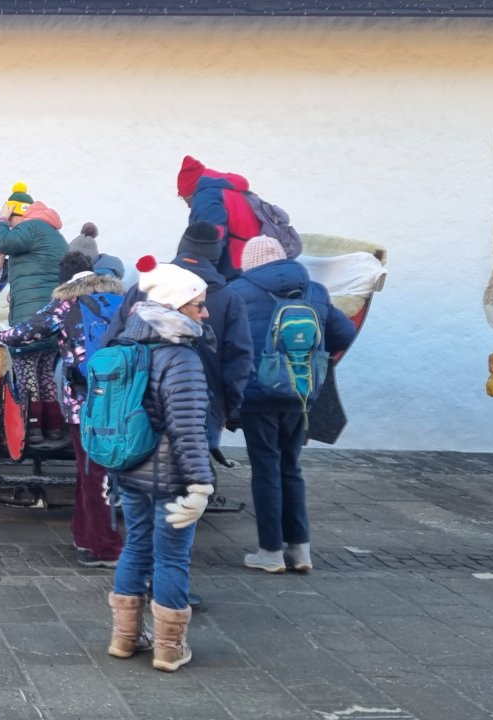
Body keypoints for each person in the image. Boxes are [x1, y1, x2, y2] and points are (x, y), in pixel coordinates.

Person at [105, 259, 215, 672]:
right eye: (198, 305)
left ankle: (124, 638)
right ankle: (169, 649)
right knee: (171, 558)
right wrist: (201, 484)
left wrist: (111, 474)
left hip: (130, 468)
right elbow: (188, 428)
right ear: (174, 306)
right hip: (172, 478)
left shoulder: (127, 347)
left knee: (135, 545)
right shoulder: (181, 358)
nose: (205, 313)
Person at [228, 237, 356, 574]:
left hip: (259, 394)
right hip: (302, 393)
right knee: (291, 468)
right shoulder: (315, 291)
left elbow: (228, 343)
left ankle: (270, 551)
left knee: (266, 469)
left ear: (250, 263)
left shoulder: (237, 292)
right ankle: (300, 551)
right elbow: (343, 334)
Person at [0, 252, 126, 568]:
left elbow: (30, 330)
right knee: (92, 471)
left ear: (64, 279)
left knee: (93, 473)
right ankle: (84, 536)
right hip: (119, 400)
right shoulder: (118, 300)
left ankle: (105, 548)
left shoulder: (67, 302)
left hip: (84, 404)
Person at [172, 222, 255, 512]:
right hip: (208, 402)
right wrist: (230, 405)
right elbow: (239, 358)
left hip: (149, 401)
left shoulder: (145, 288)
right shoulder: (229, 298)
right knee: (192, 480)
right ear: (215, 255)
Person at [0, 182, 69, 447]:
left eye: (12, 219)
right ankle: (53, 429)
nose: (12, 226)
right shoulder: (54, 234)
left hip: (30, 317)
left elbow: (1, 241)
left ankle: (31, 430)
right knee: (46, 372)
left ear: (17, 213)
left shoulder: (31, 227)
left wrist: (0, 218)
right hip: (52, 317)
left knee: (26, 370)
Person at [176, 155, 262, 278]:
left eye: (182, 197)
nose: (187, 204)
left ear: (189, 192)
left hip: (232, 269)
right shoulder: (228, 191)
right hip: (250, 261)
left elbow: (209, 239)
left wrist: (199, 274)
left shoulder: (206, 198)